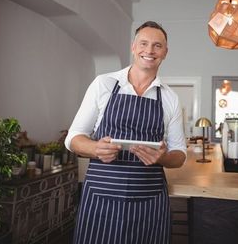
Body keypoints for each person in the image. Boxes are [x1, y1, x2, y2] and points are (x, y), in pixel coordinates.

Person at [65, 21, 187, 244]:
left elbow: (179, 154)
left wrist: (163, 157)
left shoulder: (170, 98)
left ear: (165, 53)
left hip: (149, 201)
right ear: (133, 47)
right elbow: (73, 138)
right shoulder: (104, 84)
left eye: (157, 46)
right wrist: (95, 148)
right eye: (144, 43)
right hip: (101, 198)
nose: (149, 51)